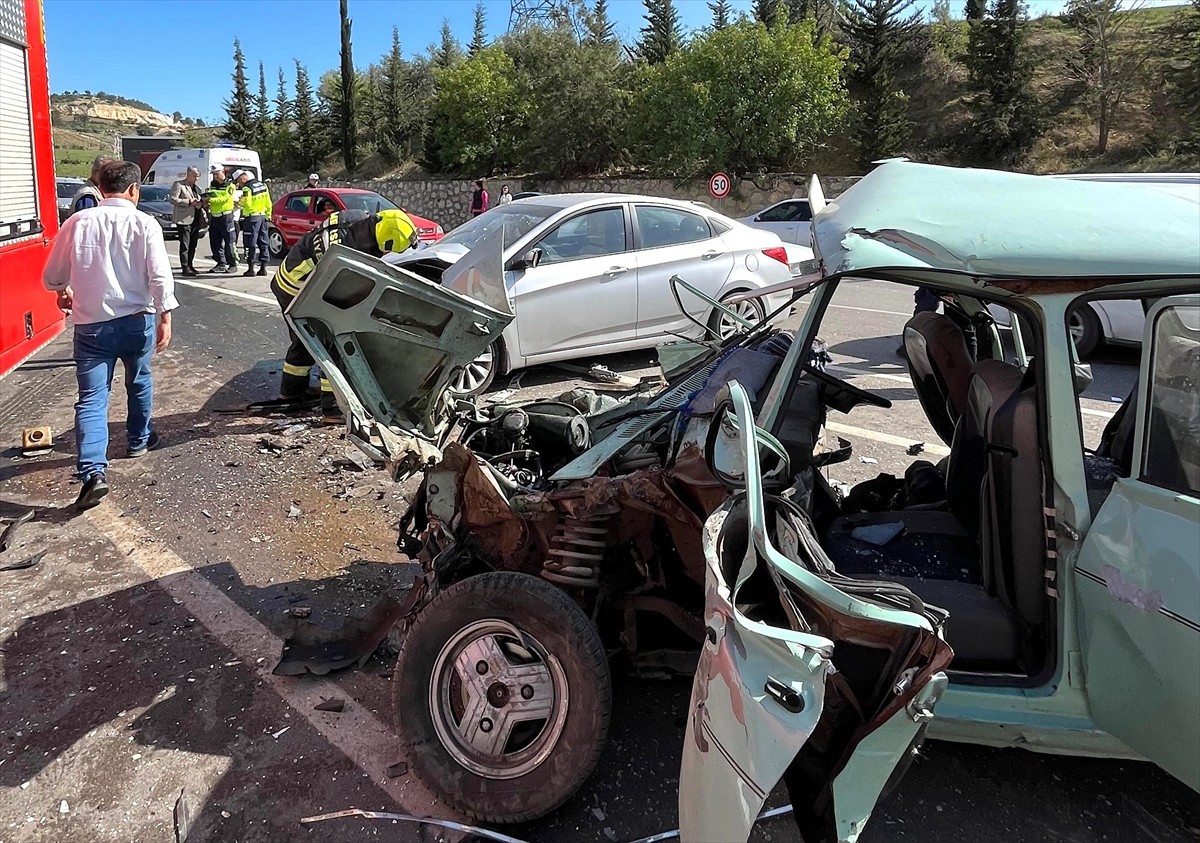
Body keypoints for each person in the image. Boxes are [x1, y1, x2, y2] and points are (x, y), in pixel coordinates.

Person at [42, 160, 178, 510]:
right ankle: (139, 439)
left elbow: (53, 275)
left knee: (91, 398)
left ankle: (92, 474)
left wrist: (62, 290)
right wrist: (166, 315)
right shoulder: (145, 223)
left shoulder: (77, 221)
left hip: (91, 326)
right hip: (137, 322)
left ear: (101, 188)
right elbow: (160, 275)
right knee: (139, 380)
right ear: (134, 190)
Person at [271, 208, 419, 420]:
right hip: (297, 287)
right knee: (332, 342)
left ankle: (291, 392)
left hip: (291, 270)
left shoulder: (358, 217)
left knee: (304, 340)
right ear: (385, 244)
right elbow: (342, 295)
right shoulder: (351, 254)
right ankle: (333, 408)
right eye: (389, 251)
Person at [234, 169, 271, 277]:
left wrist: (238, 203)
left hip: (251, 218)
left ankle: (251, 268)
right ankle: (263, 268)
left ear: (242, 177)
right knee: (263, 241)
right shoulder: (263, 186)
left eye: (238, 180)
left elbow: (247, 204)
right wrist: (268, 214)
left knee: (250, 243)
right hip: (263, 216)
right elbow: (268, 202)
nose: (238, 183)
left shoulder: (247, 188)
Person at [168, 166, 205, 277]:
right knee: (185, 244)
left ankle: (190, 264)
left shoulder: (197, 188)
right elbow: (173, 199)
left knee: (193, 244)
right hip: (184, 219)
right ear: (189, 174)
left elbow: (198, 201)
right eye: (195, 176)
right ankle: (185, 267)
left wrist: (201, 203)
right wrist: (188, 201)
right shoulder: (179, 185)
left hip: (196, 218)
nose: (196, 179)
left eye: (198, 176)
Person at [204, 165, 237, 273]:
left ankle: (232, 264)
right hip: (214, 215)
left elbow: (226, 199)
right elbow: (211, 194)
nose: (214, 176)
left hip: (226, 216)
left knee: (229, 241)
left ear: (222, 172)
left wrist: (211, 200)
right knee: (215, 241)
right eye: (213, 174)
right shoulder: (213, 184)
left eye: (216, 173)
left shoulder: (230, 184)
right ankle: (220, 263)